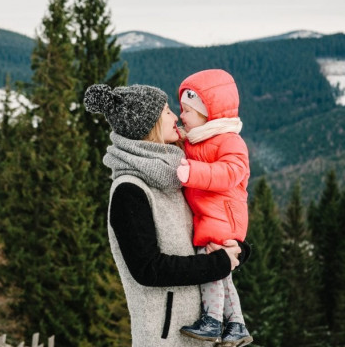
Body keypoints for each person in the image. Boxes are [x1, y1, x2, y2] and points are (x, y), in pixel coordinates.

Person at [83, 83, 249, 347]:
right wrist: (219, 262)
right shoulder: (129, 190)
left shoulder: (176, 177)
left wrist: (236, 249)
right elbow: (148, 269)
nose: (177, 117)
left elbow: (206, 228)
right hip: (164, 338)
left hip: (201, 337)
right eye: (167, 111)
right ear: (148, 124)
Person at [174, 69, 253, 347]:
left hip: (224, 218)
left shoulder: (230, 141)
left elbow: (231, 173)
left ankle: (212, 320)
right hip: (214, 215)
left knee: (211, 265)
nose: (181, 115)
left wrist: (192, 172)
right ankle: (237, 325)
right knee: (224, 273)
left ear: (209, 113)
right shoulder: (200, 139)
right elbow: (189, 145)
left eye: (187, 111)